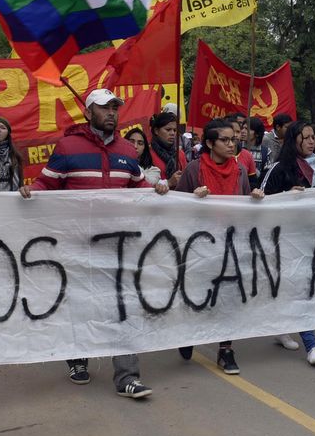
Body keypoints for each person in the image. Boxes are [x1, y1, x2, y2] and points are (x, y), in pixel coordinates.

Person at [20, 89, 170, 398]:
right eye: (104, 107)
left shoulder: (127, 150)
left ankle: (127, 377)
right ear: (89, 113)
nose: (112, 113)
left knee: (122, 306)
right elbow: (47, 183)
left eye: (115, 107)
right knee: (80, 304)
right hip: (76, 245)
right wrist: (31, 190)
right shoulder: (67, 147)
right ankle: (77, 357)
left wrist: (158, 190)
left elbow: (140, 187)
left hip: (117, 246)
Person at [175, 119, 266, 373]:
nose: (231, 144)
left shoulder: (240, 171)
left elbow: (245, 205)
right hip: (199, 246)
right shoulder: (194, 169)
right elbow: (177, 205)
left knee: (228, 297)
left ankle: (226, 349)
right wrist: (193, 198)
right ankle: (188, 334)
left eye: (233, 140)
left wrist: (255, 198)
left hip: (231, 244)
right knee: (197, 294)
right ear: (209, 143)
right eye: (224, 140)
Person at [260, 120, 315, 365]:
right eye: (306, 137)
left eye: (313, 137)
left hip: (309, 239)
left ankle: (282, 326)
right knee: (300, 290)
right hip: (284, 241)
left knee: (296, 289)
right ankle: (312, 346)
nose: (312, 141)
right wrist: (286, 197)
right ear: (294, 140)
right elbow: (261, 200)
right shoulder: (279, 168)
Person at [141, 110, 185, 187]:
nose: (172, 133)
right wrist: (169, 182)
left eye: (175, 130)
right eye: (168, 129)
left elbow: (186, 179)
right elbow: (143, 184)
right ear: (156, 131)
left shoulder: (180, 154)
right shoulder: (147, 153)